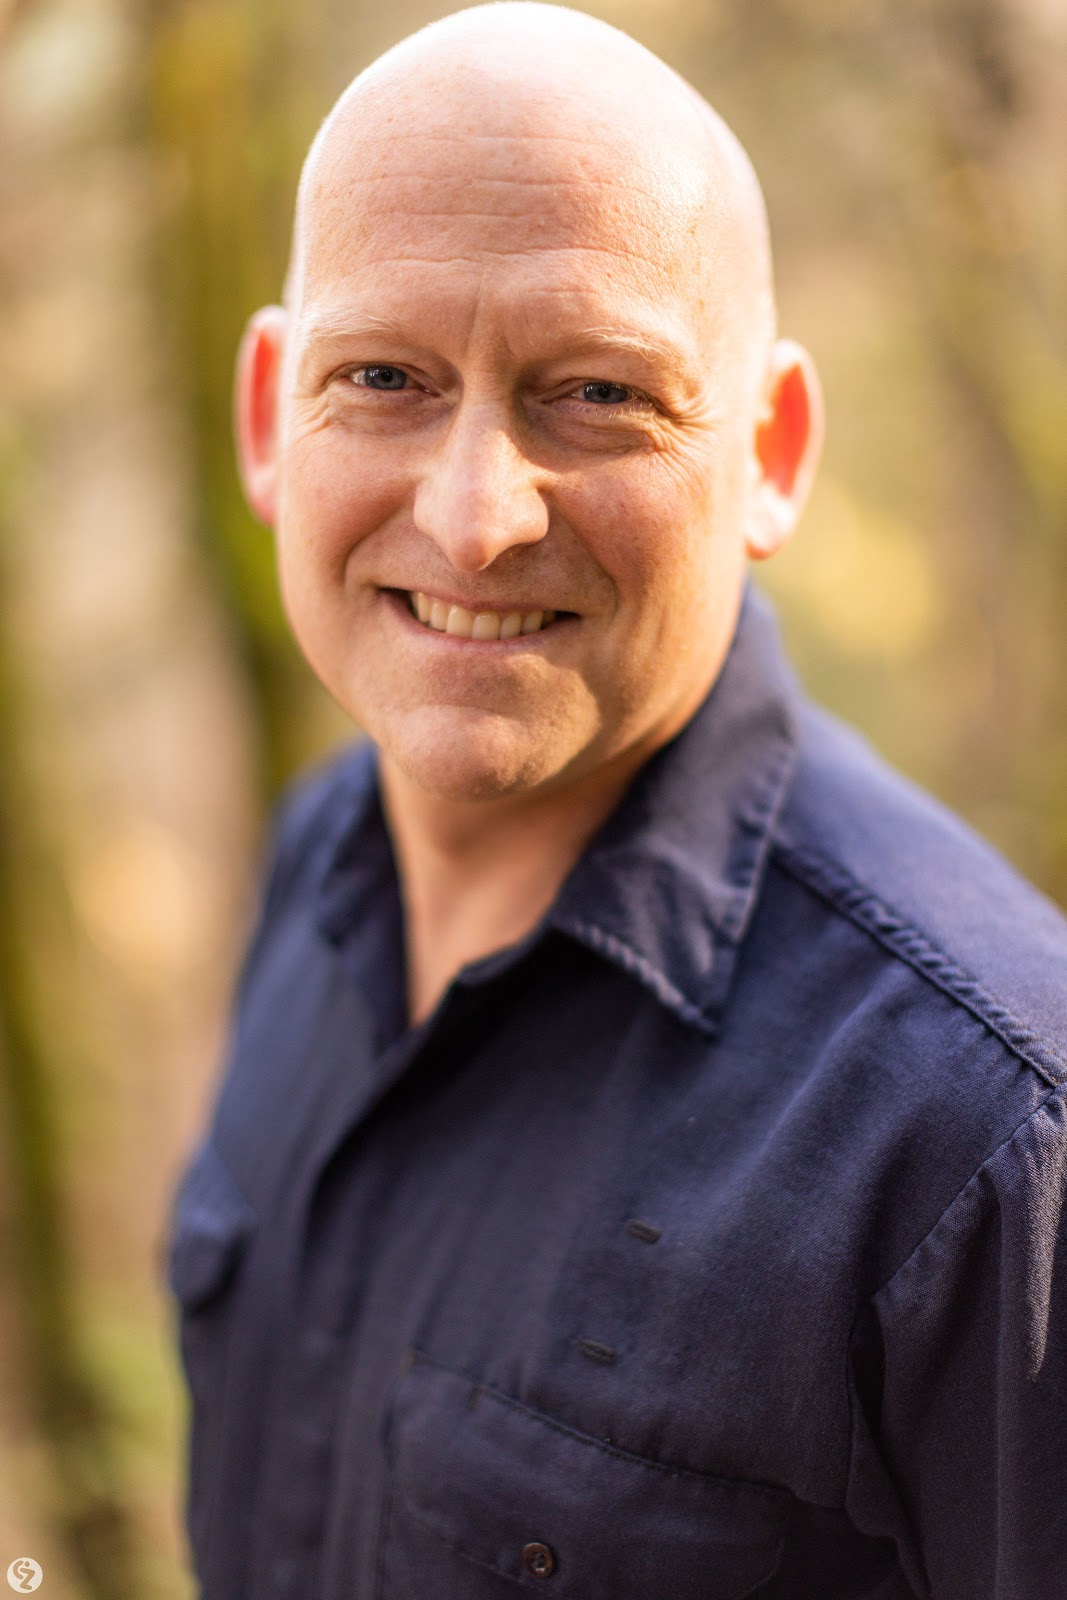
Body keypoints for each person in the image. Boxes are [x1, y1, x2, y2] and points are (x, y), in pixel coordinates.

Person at [166, 5, 1067, 1598]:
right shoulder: (310, 865)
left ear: (771, 452)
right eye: (381, 376)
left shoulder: (985, 1137)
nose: (474, 514)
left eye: (593, 394)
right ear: (264, 418)